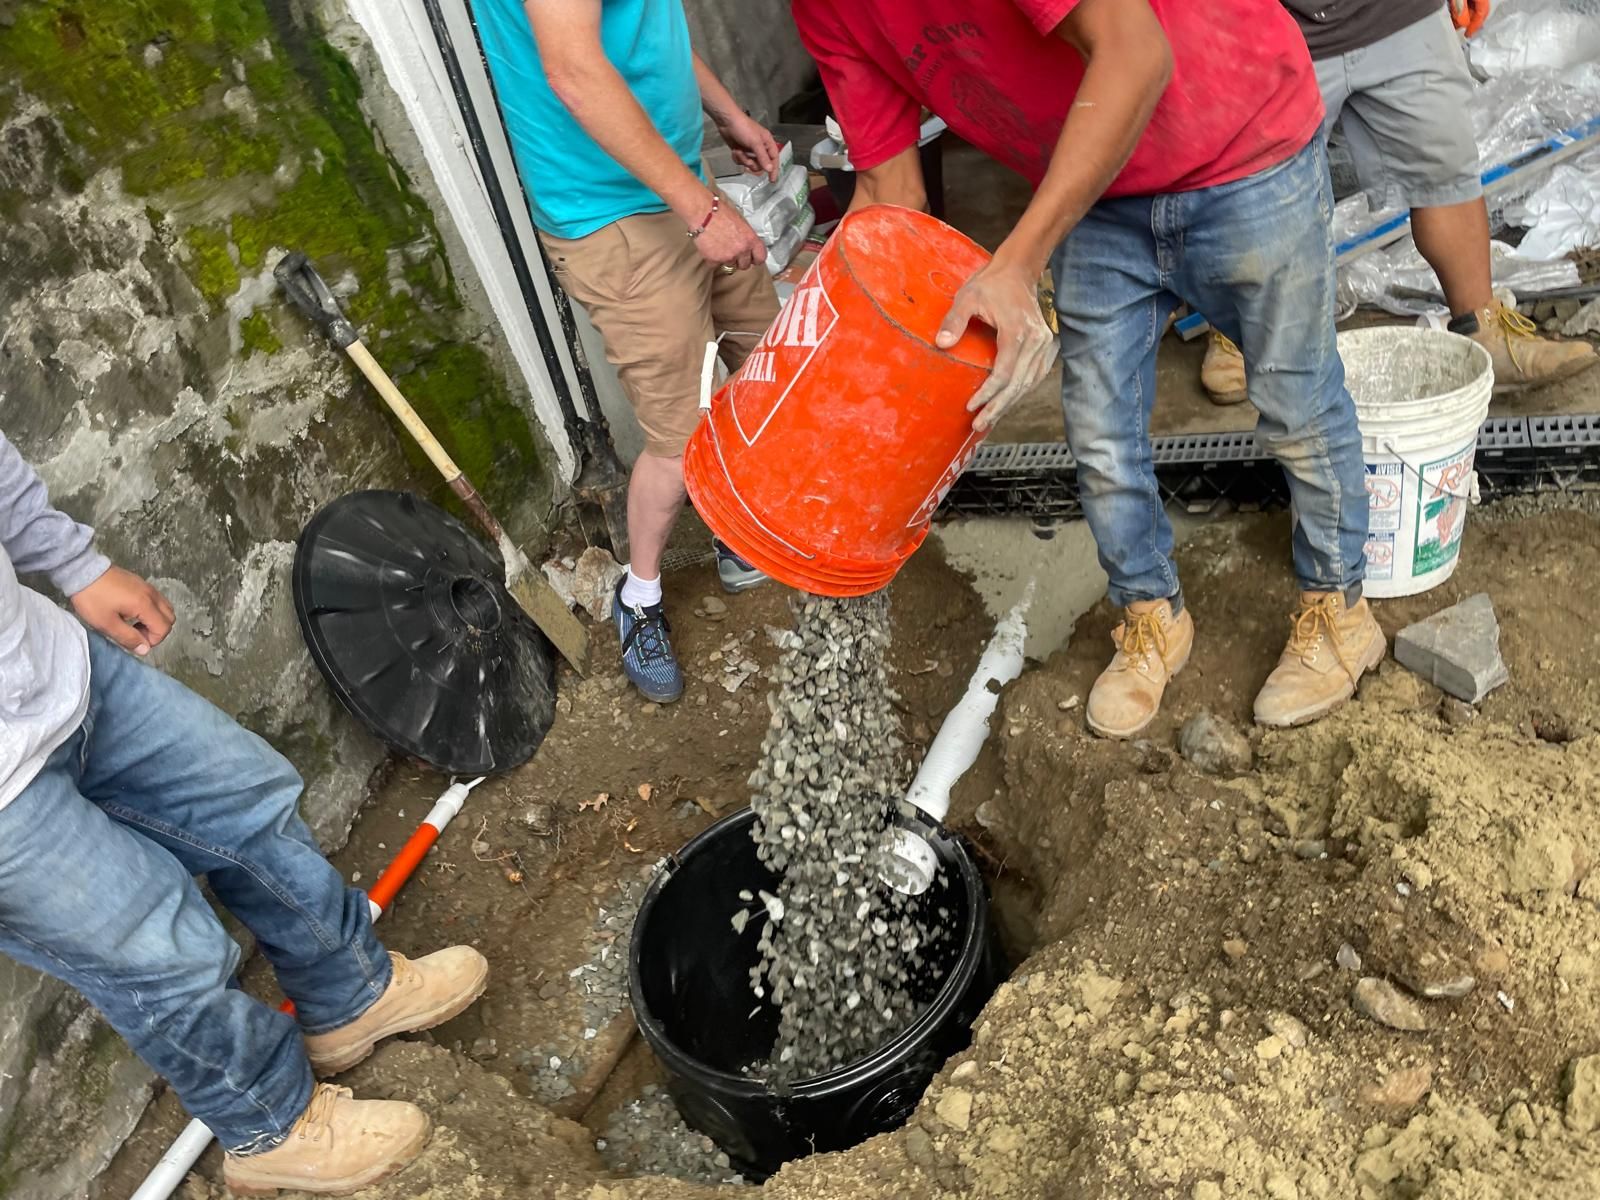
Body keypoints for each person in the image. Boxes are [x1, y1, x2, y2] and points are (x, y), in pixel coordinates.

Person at [793, 0, 1383, 733]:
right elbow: (890, 194)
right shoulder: (825, 8)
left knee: (1296, 401)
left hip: (1241, 147)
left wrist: (1018, 260)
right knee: (1100, 430)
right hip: (1099, 192)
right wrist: (814, 358)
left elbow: (1138, 55)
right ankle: (1151, 616)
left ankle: (1340, 614)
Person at [0, 431, 489, 1195]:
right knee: (162, 954)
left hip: (54, 667)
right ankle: (271, 1127)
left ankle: (349, 995)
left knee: (245, 802)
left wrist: (73, 562)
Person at [474, 0, 784, 705]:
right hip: (611, 213)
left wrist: (727, 115)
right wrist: (701, 212)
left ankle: (735, 532)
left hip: (677, 180)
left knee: (766, 362)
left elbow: (650, 25)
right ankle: (639, 597)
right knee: (681, 435)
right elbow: (576, 71)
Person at [1200, 0, 1598, 405]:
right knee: (1255, 187)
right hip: (1269, 22)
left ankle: (1485, 329)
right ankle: (1240, 336)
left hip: (1397, 12)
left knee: (1444, 164)